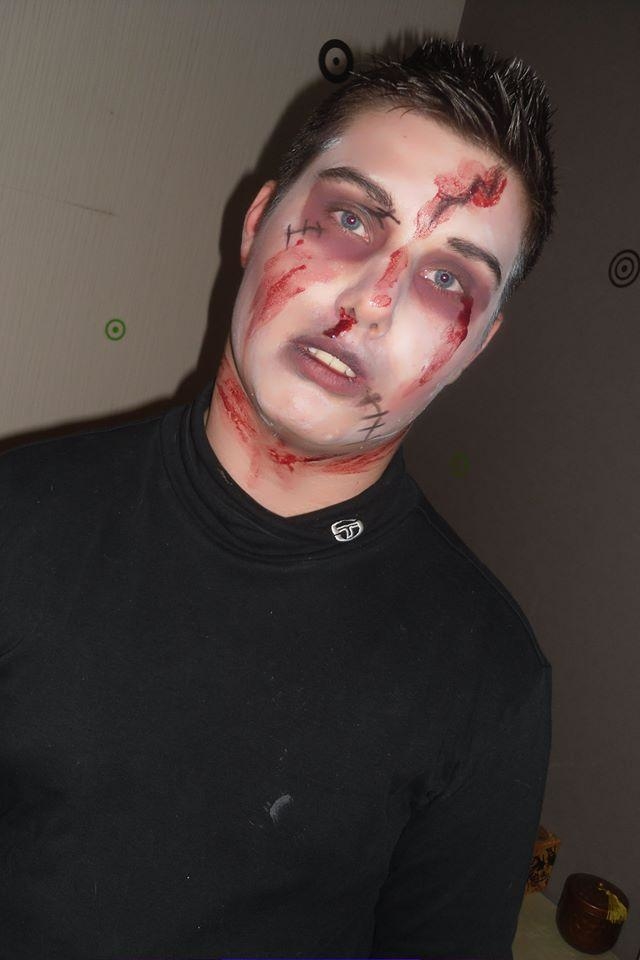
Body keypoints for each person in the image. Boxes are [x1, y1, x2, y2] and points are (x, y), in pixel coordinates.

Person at [0, 37, 555, 960]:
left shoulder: (489, 680)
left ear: (476, 347)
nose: (372, 302)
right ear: (258, 220)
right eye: (352, 218)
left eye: (447, 279)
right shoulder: (19, 518)